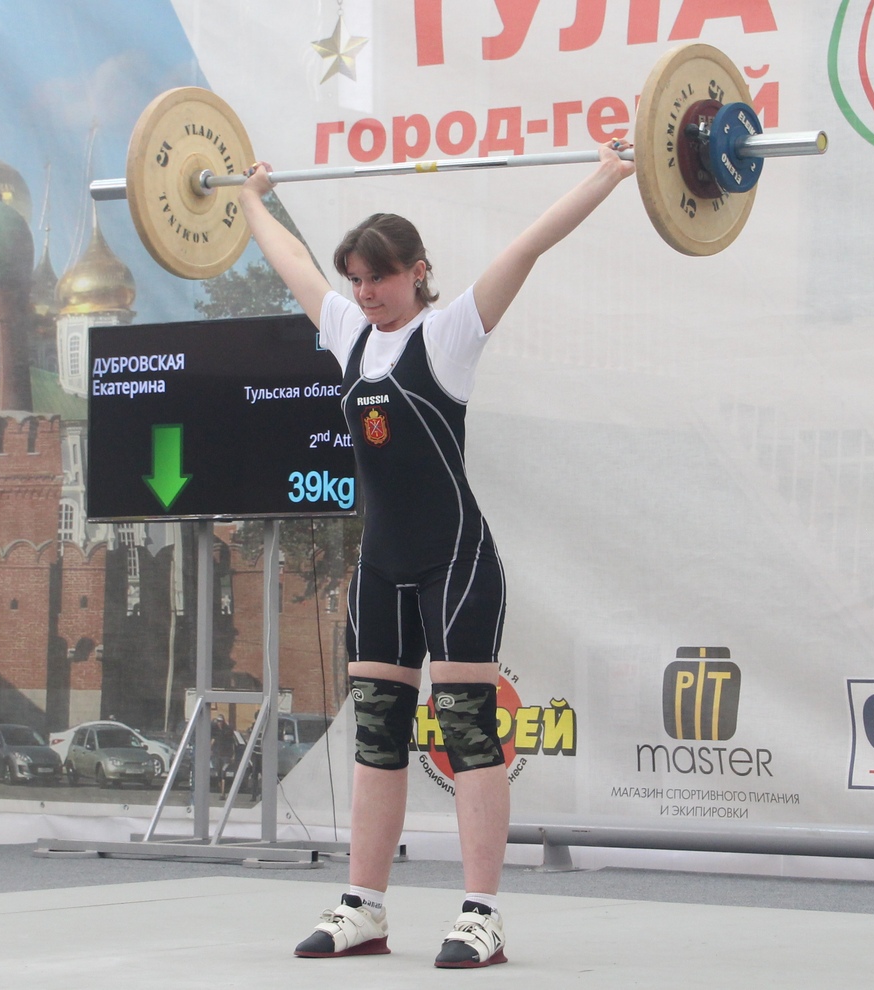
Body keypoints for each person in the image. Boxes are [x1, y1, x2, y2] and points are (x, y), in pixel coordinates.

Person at [239, 139, 635, 968]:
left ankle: (482, 915)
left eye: (379, 277)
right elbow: (292, 264)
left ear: (418, 272)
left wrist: (606, 174)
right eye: (356, 279)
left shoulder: (449, 334)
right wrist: (251, 200)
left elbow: (526, 246)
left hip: (455, 564)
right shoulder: (348, 333)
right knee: (377, 736)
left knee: (467, 734)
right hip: (381, 568)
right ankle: (364, 907)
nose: (364, 292)